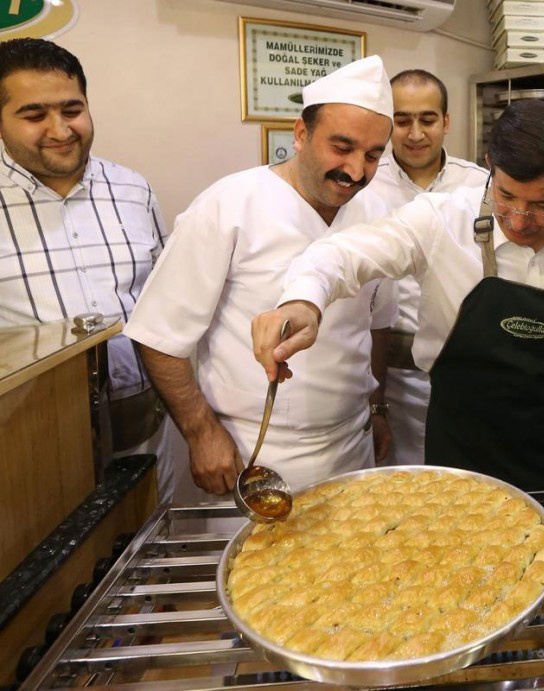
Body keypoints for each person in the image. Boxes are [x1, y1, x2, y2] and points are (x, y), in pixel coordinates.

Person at [251, 98, 544, 493]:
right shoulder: (441, 218)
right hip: (459, 438)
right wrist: (303, 300)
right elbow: (342, 253)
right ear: (490, 167)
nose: (518, 220)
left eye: (542, 207)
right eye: (505, 197)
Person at [123, 56, 397, 500]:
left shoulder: (378, 215)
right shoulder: (229, 205)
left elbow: (377, 322)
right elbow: (157, 334)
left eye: (372, 155)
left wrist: (378, 406)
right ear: (302, 134)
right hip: (253, 454)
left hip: (351, 446)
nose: (355, 170)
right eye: (341, 147)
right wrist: (200, 432)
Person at [0, 38, 176, 500]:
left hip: (149, 431)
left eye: (72, 109)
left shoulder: (133, 189)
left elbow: (165, 306)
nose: (60, 129)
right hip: (36, 451)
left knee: (149, 557)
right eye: (34, 115)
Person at [368, 69, 488, 466]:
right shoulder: (366, 186)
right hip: (393, 375)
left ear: (446, 122)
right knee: (400, 487)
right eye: (402, 120)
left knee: (464, 483)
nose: (415, 133)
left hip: (468, 371)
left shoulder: (480, 186)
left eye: (427, 119)